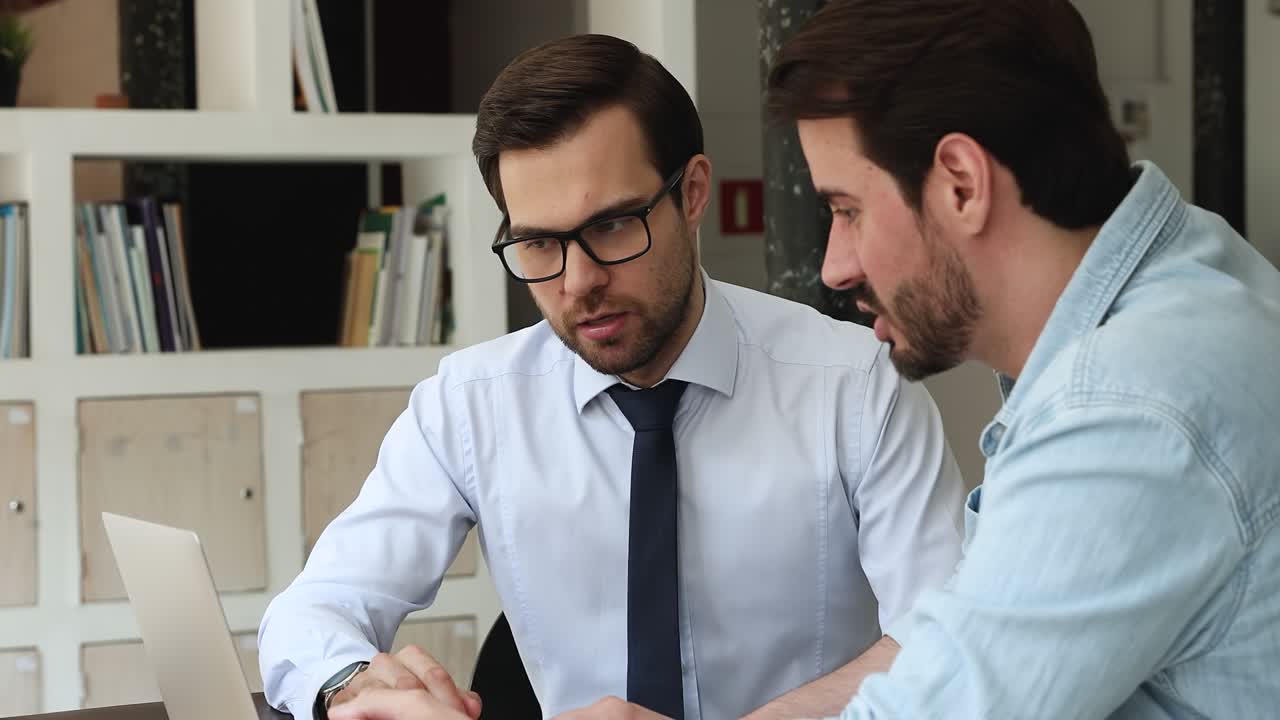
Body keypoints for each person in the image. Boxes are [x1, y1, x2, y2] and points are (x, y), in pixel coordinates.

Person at [258, 33, 967, 720]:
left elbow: (946, 642)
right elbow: (310, 613)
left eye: (613, 227)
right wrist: (353, 689)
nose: (579, 283)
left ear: (692, 194)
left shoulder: (855, 385)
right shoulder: (470, 406)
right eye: (539, 242)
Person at [755, 0, 1280, 718]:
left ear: (961, 185)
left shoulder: (1126, 406)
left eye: (847, 211)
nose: (835, 267)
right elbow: (963, 640)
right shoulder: (1185, 265)